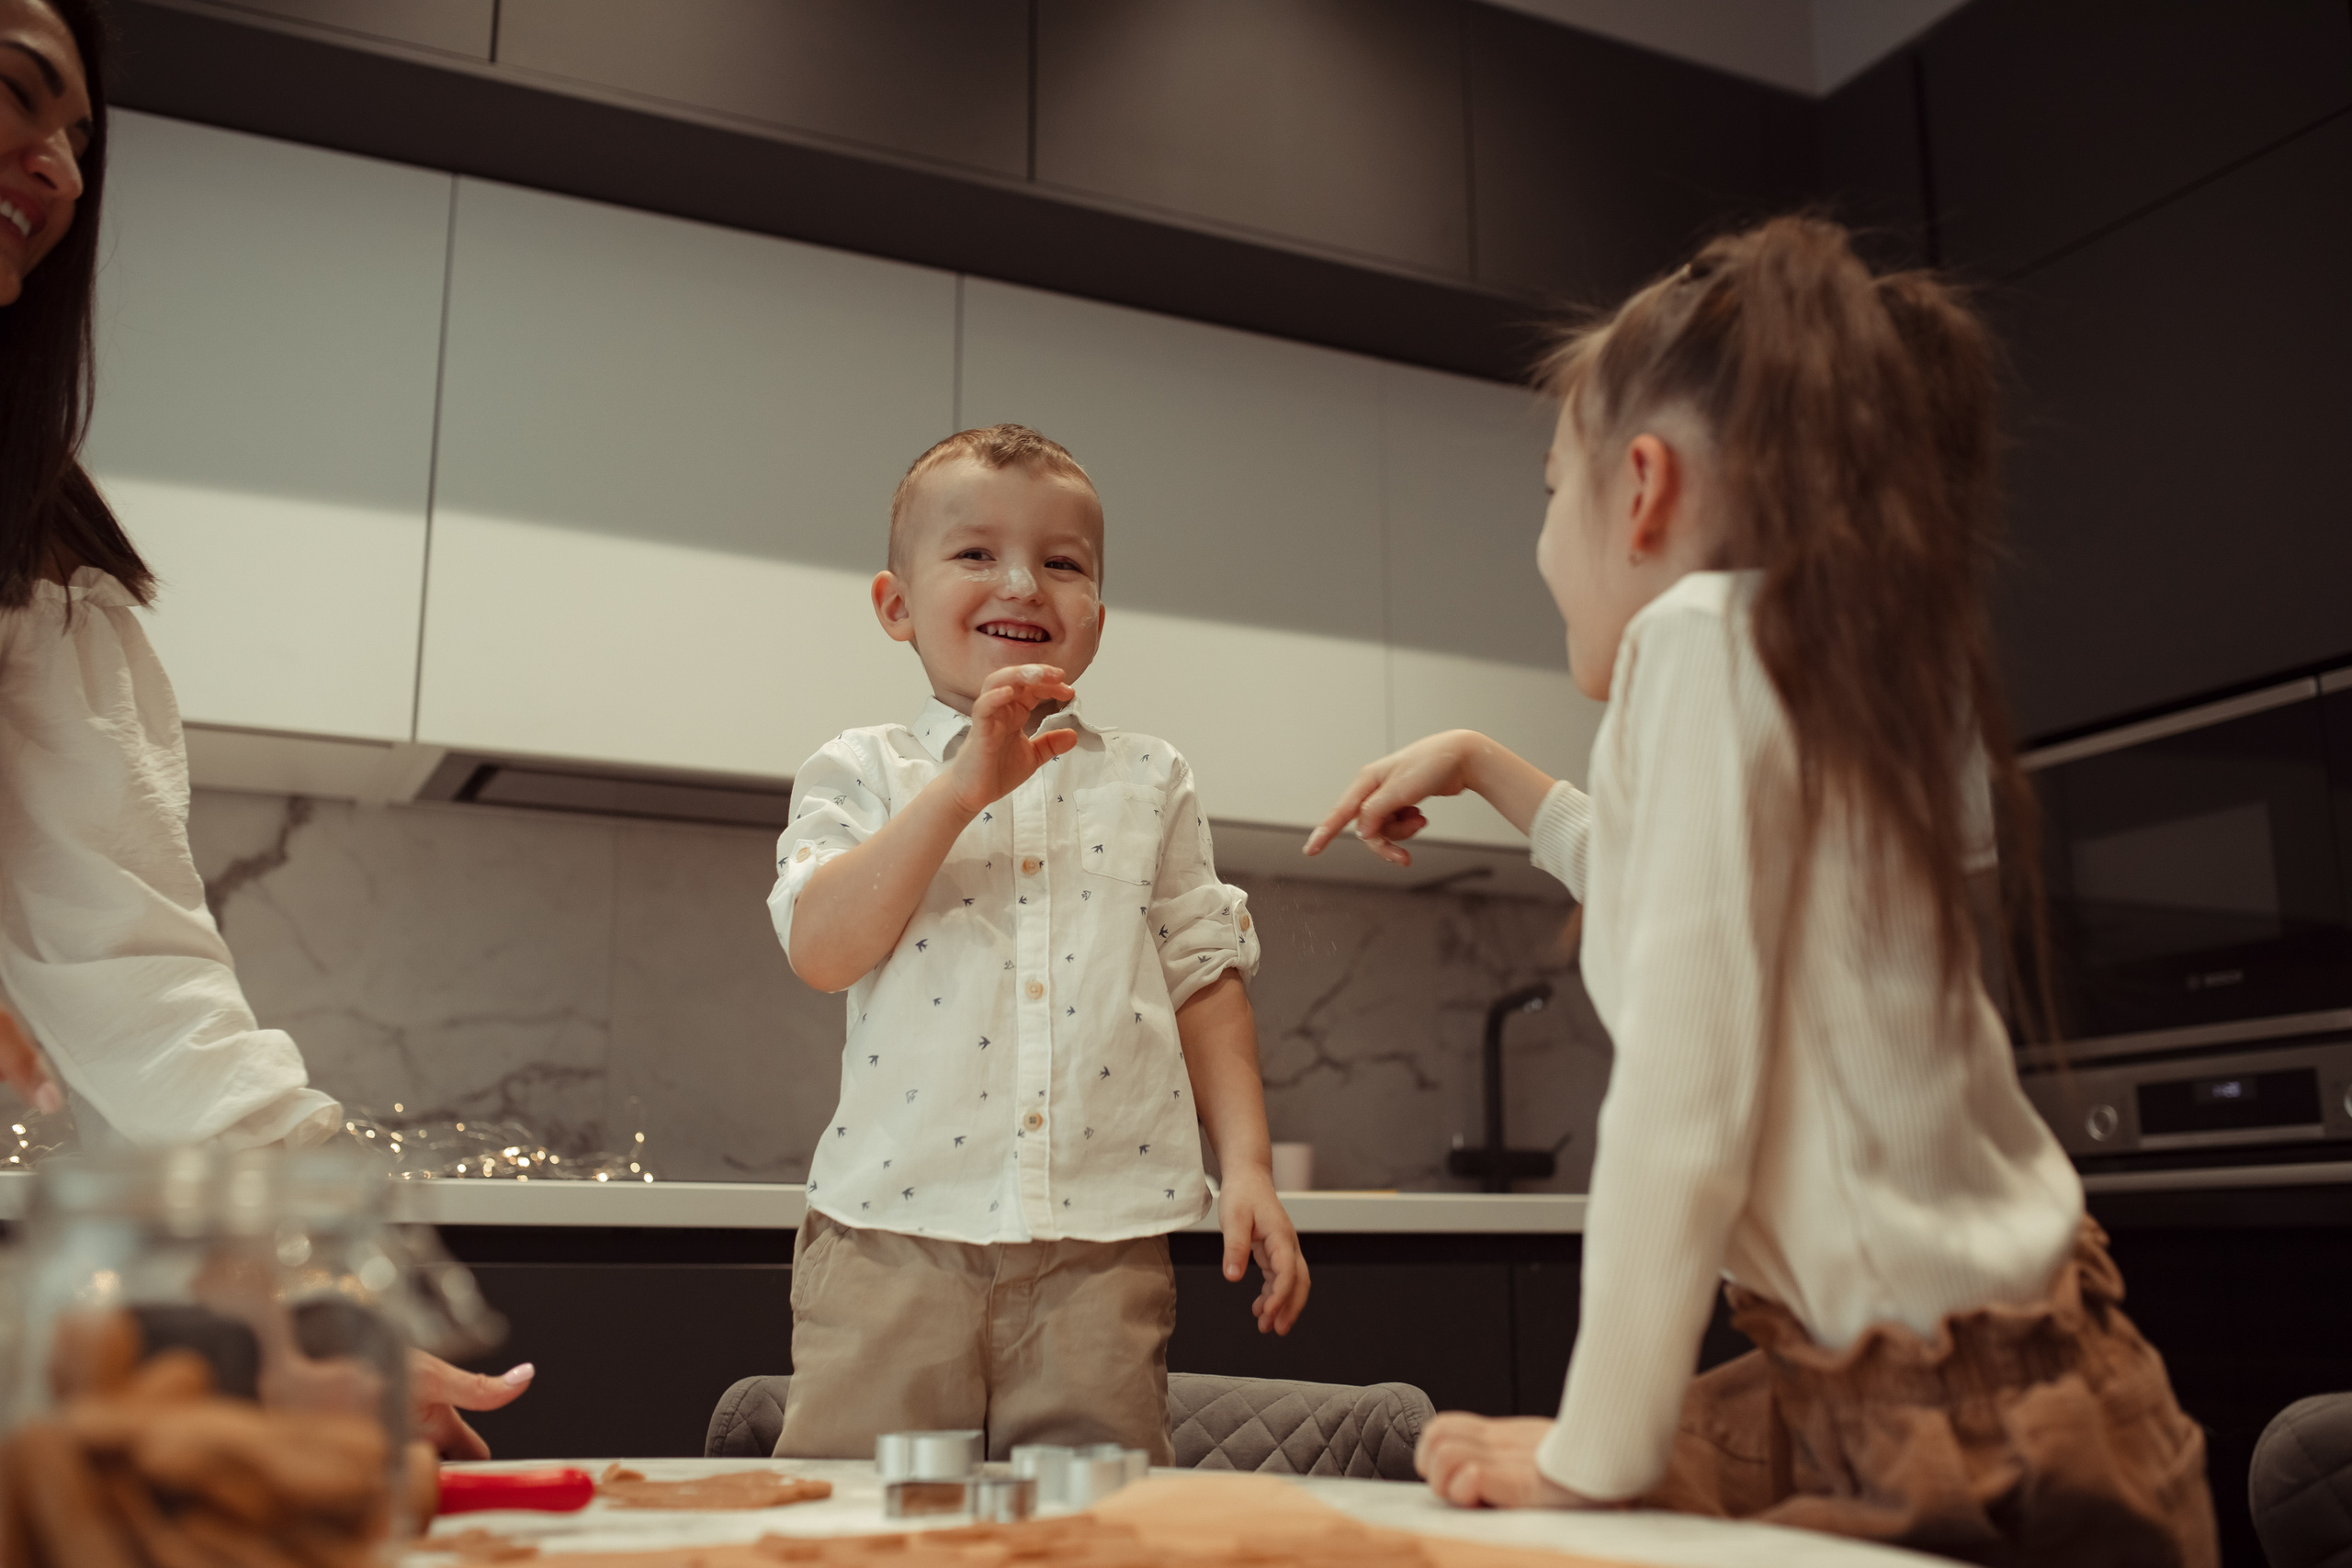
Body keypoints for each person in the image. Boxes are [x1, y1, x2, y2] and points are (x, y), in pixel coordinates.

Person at [1306, 219, 2216, 1565]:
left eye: (1548, 493)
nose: (1542, 544)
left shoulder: (1693, 643)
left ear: (1643, 489)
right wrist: (1498, 773)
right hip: (2017, 1377)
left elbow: (1684, 1097)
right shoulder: (1825, 655)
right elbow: (1682, 892)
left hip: (1943, 1425)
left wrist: (1592, 1454)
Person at [0, 0, 529, 1457]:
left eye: (77, 137)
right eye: (15, 92)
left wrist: (328, 1293)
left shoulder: (38, 580)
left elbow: (141, 980)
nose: (54, 169)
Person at [767, 423, 1307, 1461]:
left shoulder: (1150, 778)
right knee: (862, 1536)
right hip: (889, 1240)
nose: (1021, 583)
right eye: (975, 554)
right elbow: (821, 949)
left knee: (1088, 1536)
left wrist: (1248, 1167)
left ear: (1094, 618)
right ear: (895, 605)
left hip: (1103, 1254)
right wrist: (964, 785)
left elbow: (1206, 972)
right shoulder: (859, 768)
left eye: (1061, 563)